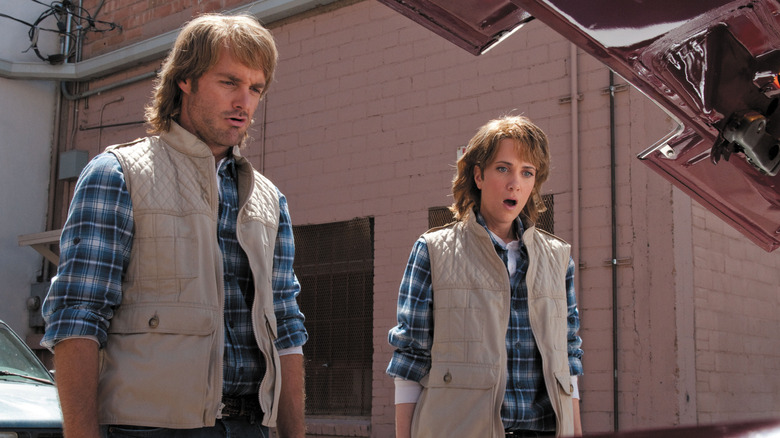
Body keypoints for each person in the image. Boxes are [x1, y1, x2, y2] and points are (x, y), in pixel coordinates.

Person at [41, 13, 308, 438]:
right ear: (185, 79)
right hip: (146, 428)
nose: (244, 101)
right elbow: (77, 317)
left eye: (255, 88)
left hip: (249, 427)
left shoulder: (269, 200)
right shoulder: (118, 174)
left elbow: (287, 327)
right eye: (229, 82)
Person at [387, 115, 584, 438]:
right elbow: (411, 357)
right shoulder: (432, 251)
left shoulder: (558, 259)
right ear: (478, 175)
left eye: (527, 172)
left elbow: (568, 356)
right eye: (503, 168)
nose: (514, 183)